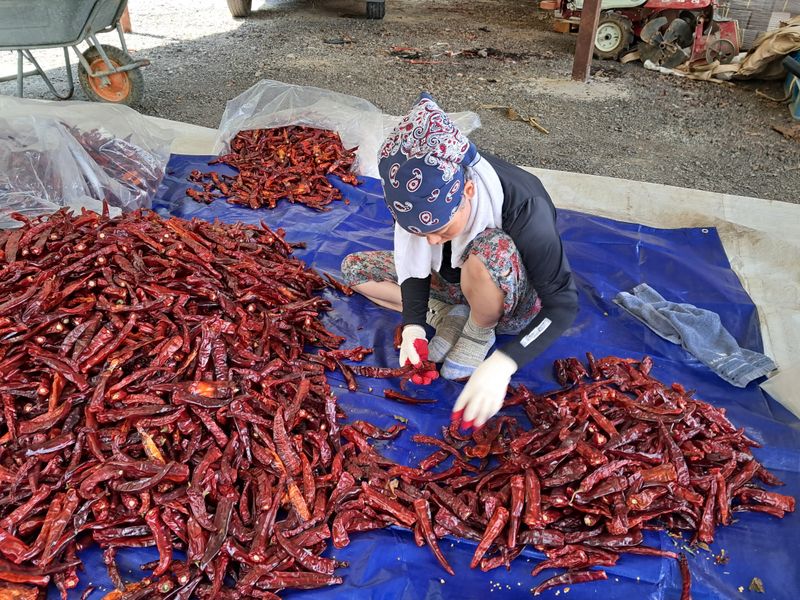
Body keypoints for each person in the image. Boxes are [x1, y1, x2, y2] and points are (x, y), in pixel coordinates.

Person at [341, 93, 578, 430]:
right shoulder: (417, 194)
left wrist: (505, 363)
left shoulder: (526, 204)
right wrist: (412, 327)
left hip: (508, 296)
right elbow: (415, 262)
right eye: (419, 233)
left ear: (467, 191)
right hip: (452, 283)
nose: (433, 241)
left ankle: (478, 330)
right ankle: (448, 314)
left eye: (440, 229)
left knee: (487, 250)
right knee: (355, 269)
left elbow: (564, 305)